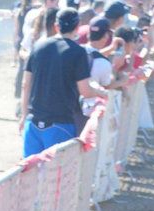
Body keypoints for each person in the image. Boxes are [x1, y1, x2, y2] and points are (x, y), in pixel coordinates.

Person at [19, 8, 108, 156]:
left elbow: (25, 84)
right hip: (60, 123)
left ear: (56, 26)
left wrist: (24, 115)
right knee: (58, 169)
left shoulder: (38, 47)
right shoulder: (78, 52)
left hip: (33, 121)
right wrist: (101, 92)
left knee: (30, 168)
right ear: (78, 26)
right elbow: (85, 91)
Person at [82, 16, 119, 120]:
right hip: (89, 113)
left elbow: (91, 53)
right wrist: (116, 66)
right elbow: (108, 85)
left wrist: (111, 48)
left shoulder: (75, 50)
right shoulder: (103, 62)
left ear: (89, 34)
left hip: (66, 107)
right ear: (106, 36)